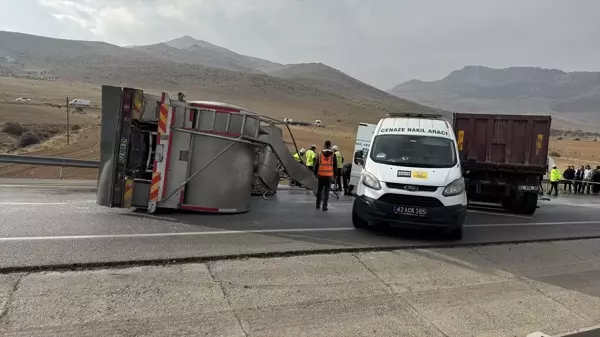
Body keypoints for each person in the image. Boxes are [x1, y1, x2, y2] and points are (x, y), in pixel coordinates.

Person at [314, 140, 337, 211]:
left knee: (319, 190)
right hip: (329, 176)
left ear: (324, 145)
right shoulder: (333, 155)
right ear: (330, 146)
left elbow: (316, 165)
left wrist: (315, 174)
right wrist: (335, 175)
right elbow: (335, 166)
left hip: (321, 175)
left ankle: (317, 204)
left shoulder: (320, 154)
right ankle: (324, 206)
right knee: (326, 192)